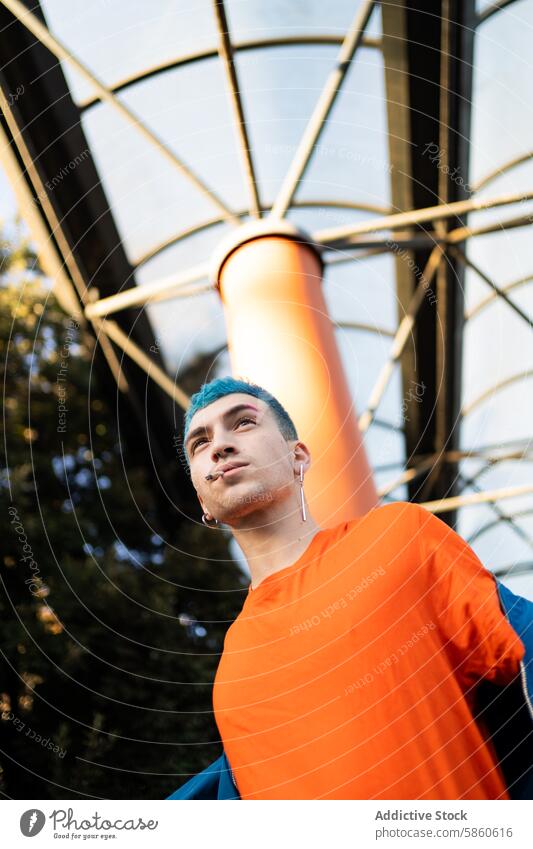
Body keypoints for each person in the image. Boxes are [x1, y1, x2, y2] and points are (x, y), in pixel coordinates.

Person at [167, 376, 533, 800]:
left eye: (244, 423)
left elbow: (519, 645)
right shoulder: (230, 675)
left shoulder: (398, 536)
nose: (220, 445)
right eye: (199, 443)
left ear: (297, 456)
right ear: (202, 502)